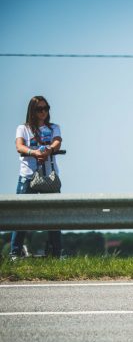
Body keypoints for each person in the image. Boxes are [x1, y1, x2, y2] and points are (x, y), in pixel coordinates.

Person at [10, 96, 63, 260]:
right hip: (28, 176)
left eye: (46, 108)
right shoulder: (23, 129)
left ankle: (56, 253)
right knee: (21, 216)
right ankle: (15, 253)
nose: (43, 112)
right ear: (32, 111)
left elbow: (57, 142)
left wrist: (48, 150)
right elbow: (19, 146)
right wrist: (34, 152)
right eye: (39, 109)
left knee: (54, 216)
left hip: (49, 177)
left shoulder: (54, 127)